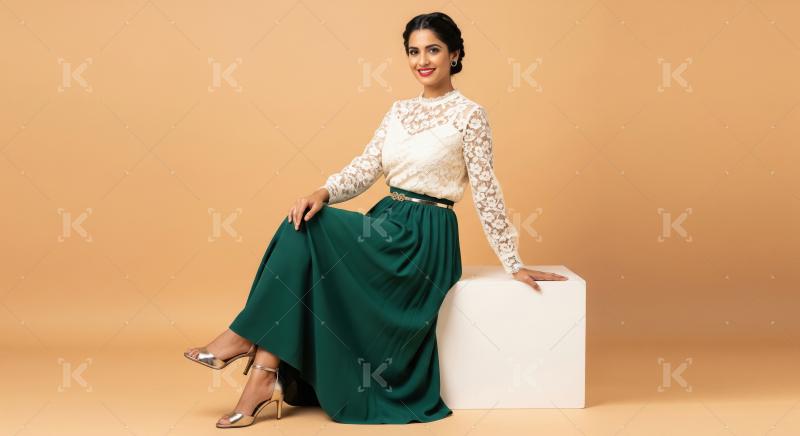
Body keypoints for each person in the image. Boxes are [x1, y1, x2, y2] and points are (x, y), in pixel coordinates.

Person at [184, 11, 568, 428]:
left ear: (455, 54)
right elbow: (366, 168)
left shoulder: (470, 115)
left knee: (308, 232)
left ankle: (247, 341)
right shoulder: (398, 111)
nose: (423, 60)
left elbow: (487, 189)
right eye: (413, 51)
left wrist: (512, 262)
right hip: (385, 222)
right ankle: (262, 371)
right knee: (302, 219)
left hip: (425, 237)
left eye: (433, 50)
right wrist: (322, 191)